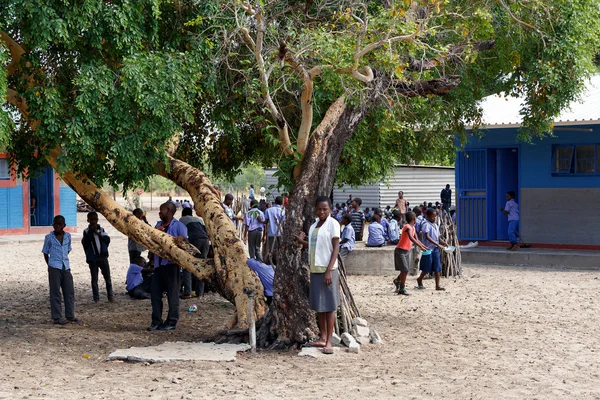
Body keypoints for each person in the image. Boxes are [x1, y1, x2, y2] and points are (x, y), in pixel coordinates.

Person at [294, 196, 340, 355]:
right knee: (320, 306)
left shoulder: (333, 224)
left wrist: (329, 270)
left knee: (329, 306)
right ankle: (322, 337)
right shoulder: (314, 226)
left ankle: (329, 342)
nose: (321, 212)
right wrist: (302, 242)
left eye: (325, 209)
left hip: (328, 270)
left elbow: (335, 249)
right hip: (315, 270)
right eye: (319, 209)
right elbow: (316, 246)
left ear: (330, 209)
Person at [148, 202, 187, 331]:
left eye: (162, 210)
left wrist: (181, 238)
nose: (159, 212)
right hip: (159, 265)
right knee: (155, 294)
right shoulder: (158, 225)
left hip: (172, 266)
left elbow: (186, 243)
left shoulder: (179, 226)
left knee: (173, 295)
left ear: (169, 210)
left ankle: (171, 321)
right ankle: (156, 321)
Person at [42, 215, 81, 325]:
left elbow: (68, 249)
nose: (57, 226)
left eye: (60, 224)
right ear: (53, 225)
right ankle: (57, 317)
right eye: (55, 224)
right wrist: (50, 264)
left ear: (64, 225)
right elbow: (45, 252)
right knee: (55, 292)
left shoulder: (68, 236)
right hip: (54, 267)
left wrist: (63, 260)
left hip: (66, 267)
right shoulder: (49, 237)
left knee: (69, 291)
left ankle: (70, 315)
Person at [81, 212, 114, 303]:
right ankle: (96, 298)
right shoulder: (86, 232)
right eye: (91, 220)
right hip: (93, 258)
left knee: (107, 277)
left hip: (102, 257)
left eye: (95, 219)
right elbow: (85, 243)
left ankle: (110, 296)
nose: (93, 221)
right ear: (88, 220)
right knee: (94, 279)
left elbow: (107, 240)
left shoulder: (101, 229)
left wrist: (98, 233)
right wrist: (91, 233)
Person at [393, 212, 428, 295]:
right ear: (414, 219)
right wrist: (421, 247)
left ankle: (397, 280)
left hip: (406, 251)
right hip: (400, 250)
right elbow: (411, 238)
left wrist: (424, 246)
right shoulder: (407, 227)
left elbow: (417, 239)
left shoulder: (413, 228)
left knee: (405, 270)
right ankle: (402, 288)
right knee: (404, 269)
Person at [179, 207, 210, 298]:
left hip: (194, 240)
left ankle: (187, 292)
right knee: (201, 266)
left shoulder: (182, 219)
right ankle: (200, 292)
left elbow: (182, 233)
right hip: (205, 240)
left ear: (183, 213)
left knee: (187, 265)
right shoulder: (198, 219)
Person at [416, 208, 448, 291]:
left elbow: (438, 237)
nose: (434, 218)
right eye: (432, 217)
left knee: (437, 267)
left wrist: (443, 243)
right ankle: (420, 279)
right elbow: (426, 236)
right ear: (428, 217)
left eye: (435, 217)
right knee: (427, 267)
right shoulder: (426, 224)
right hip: (428, 249)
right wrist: (437, 244)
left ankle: (437, 285)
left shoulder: (436, 225)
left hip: (435, 249)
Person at [263, 195, 285, 265]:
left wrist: (260, 220)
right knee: (279, 248)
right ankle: (279, 263)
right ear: (282, 203)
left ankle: (270, 262)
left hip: (271, 232)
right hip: (279, 232)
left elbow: (266, 222)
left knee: (270, 249)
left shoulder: (268, 210)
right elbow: (283, 222)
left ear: (274, 202)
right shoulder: (283, 211)